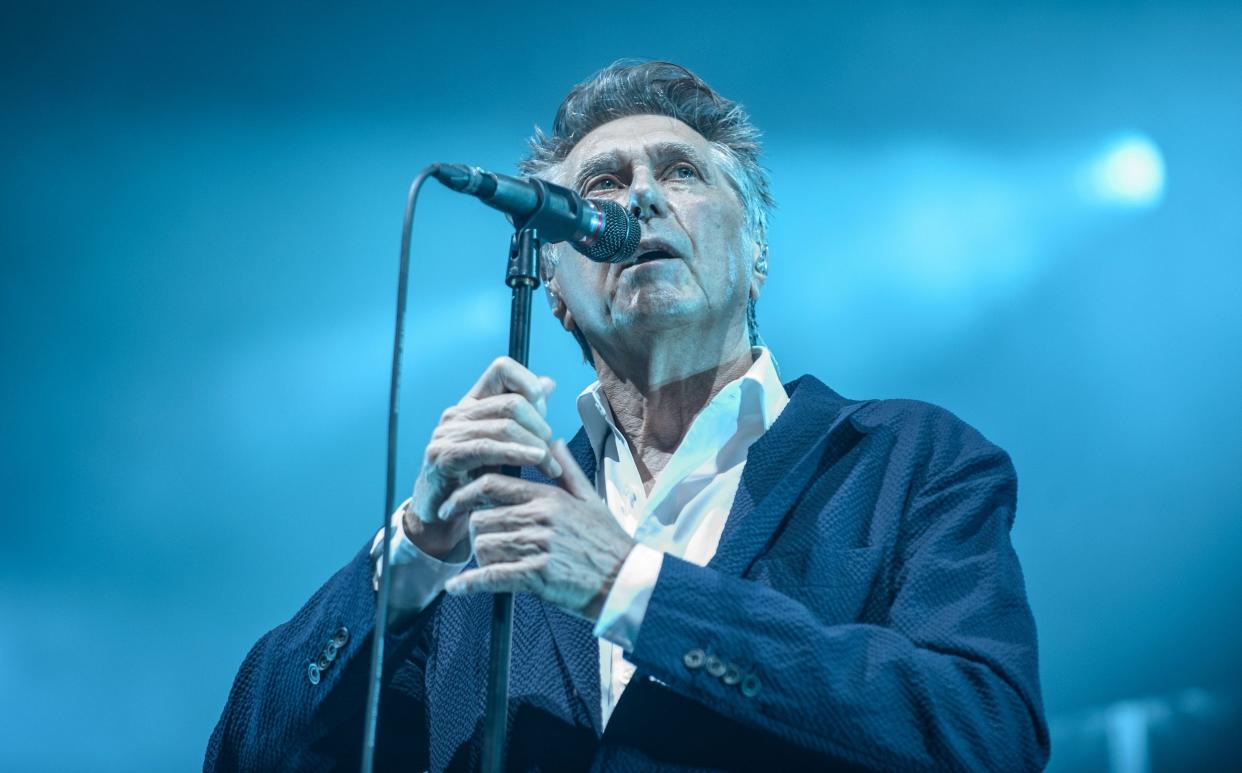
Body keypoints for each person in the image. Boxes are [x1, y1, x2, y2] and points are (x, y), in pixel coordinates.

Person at [206, 60, 1050, 772]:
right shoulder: (486, 533)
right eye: (600, 185)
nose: (639, 197)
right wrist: (414, 553)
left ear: (756, 250)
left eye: (680, 171)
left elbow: (985, 732)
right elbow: (244, 755)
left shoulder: (909, 460)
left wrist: (628, 587)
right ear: (560, 291)